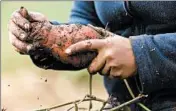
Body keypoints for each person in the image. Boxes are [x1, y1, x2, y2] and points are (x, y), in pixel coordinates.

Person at [8, 1, 176, 111]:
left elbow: (140, 53)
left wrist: (142, 54)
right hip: (123, 103)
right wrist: (47, 37)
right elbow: (86, 20)